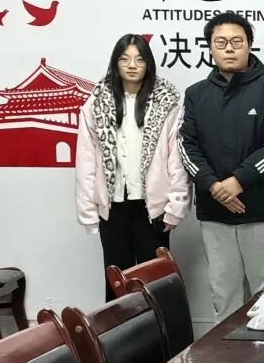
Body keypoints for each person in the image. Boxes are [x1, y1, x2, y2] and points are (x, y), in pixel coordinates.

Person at [179, 12, 264, 321]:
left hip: (261, 210)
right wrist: (214, 186)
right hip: (215, 211)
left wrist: (238, 182)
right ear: (210, 48)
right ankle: (225, 353)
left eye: (237, 42)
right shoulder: (196, 94)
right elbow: (187, 145)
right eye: (221, 43)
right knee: (224, 294)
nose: (229, 48)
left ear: (249, 45)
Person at [76, 34, 189, 300]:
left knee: (156, 283)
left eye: (139, 59)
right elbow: (86, 160)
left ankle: (158, 329)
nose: (132, 65)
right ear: (115, 63)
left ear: (148, 64)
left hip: (153, 210)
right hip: (112, 208)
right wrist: (88, 211)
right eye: (124, 59)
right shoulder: (96, 103)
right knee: (117, 282)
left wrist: (175, 207)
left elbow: (176, 158)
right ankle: (118, 327)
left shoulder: (166, 103)